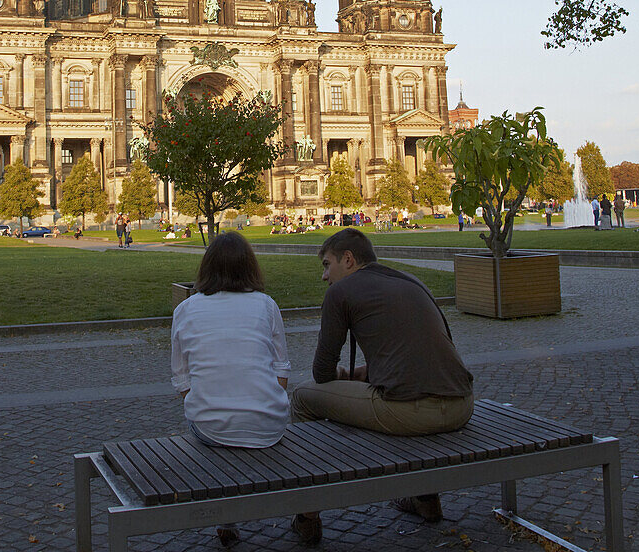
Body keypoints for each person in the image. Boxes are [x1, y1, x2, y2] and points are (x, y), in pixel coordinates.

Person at [290, 228, 474, 542]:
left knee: (302, 397)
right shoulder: (412, 281)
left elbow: (321, 373)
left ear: (347, 260)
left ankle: (308, 514)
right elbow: (425, 356)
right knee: (399, 401)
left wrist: (346, 381)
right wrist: (364, 375)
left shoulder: (340, 292)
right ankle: (426, 498)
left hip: (410, 411)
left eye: (326, 264)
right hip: (462, 404)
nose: (324, 276)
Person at [171, 231, 290, 546]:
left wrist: (209, 402)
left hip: (208, 427)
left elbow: (181, 380)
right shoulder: (266, 305)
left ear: (206, 267)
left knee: (208, 424)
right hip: (270, 426)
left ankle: (226, 520)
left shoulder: (185, 309)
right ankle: (306, 514)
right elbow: (282, 371)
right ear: (250, 267)